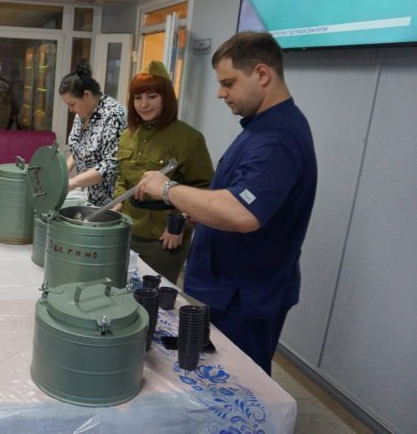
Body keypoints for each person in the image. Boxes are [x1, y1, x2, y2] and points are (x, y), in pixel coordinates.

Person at [135, 32, 317, 375]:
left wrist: (168, 189)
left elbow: (243, 212)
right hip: (231, 288)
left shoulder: (278, 139)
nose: (221, 93)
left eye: (228, 83)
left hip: (248, 295)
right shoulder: (258, 128)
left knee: (240, 382)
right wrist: (200, 211)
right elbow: (234, 195)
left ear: (262, 74)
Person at [113, 61, 214, 284]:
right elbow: (122, 175)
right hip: (127, 230)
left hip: (164, 237)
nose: (144, 104)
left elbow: (204, 188)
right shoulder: (128, 135)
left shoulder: (189, 138)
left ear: (166, 98)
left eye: (152, 96)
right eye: (138, 98)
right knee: (121, 288)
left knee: (153, 299)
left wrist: (178, 226)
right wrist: (118, 201)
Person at [61, 62, 127, 206]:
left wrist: (73, 182)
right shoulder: (82, 113)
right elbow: (79, 149)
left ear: (86, 95)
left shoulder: (114, 115)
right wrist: (62, 174)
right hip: (86, 195)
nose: (71, 110)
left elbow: (111, 164)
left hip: (108, 201)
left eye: (72, 104)